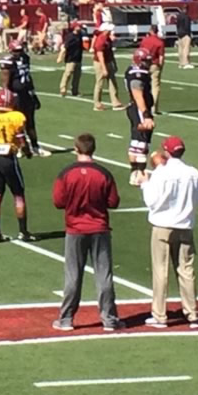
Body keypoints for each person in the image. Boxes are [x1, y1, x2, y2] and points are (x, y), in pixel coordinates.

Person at [51, 133, 121, 332]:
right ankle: (109, 318)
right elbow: (113, 202)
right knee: (104, 274)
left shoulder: (67, 173)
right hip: (99, 227)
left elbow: (58, 201)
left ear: (76, 149)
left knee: (73, 275)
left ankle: (66, 319)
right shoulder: (103, 173)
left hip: (75, 229)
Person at [141, 136, 198, 328]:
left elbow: (151, 200)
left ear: (167, 152)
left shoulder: (162, 173)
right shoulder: (193, 173)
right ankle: (192, 313)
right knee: (186, 270)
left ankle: (160, 315)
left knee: (161, 270)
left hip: (163, 225)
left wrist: (144, 183)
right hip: (185, 225)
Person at [0, 88, 34, 244]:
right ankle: (23, 232)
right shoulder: (15, 118)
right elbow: (22, 140)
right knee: (18, 195)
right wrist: (28, 152)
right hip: (9, 159)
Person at [0, 36, 40, 155]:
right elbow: (5, 82)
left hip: (26, 93)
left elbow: (28, 77)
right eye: (16, 51)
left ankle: (35, 146)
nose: (19, 53)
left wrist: (34, 94)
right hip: (15, 95)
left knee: (30, 121)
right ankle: (19, 146)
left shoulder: (25, 58)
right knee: (16, 122)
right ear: (11, 50)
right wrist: (7, 96)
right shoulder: (8, 62)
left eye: (20, 50)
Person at [124, 44, 156, 183]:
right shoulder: (138, 74)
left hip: (134, 107)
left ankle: (134, 172)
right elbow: (138, 94)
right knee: (142, 142)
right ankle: (140, 174)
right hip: (139, 108)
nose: (149, 64)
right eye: (146, 61)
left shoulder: (132, 70)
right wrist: (146, 114)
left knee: (136, 141)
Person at [90, 26, 123, 112]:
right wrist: (104, 68)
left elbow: (110, 52)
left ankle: (115, 102)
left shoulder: (107, 38)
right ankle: (97, 104)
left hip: (108, 61)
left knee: (112, 81)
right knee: (99, 83)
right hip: (100, 63)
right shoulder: (101, 39)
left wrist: (113, 64)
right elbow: (100, 55)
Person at [56, 19, 83, 98]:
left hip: (78, 58)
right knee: (68, 73)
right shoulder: (70, 37)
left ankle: (75, 91)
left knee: (77, 76)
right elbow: (64, 47)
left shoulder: (80, 35)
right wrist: (60, 57)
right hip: (71, 59)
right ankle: (63, 88)